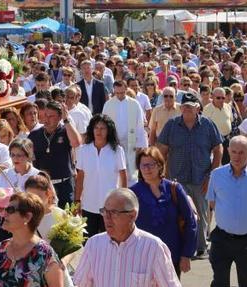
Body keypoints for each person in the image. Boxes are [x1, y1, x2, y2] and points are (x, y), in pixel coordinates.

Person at [157, 91, 223, 258]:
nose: (186, 109)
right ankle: (181, 245)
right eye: (184, 106)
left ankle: (201, 247)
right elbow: (161, 151)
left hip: (202, 178)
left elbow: (218, 149)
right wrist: (161, 175)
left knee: (201, 213)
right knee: (179, 213)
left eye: (190, 107)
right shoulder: (171, 125)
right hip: (176, 179)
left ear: (197, 108)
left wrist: (212, 175)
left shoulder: (208, 125)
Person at [73, 188, 180, 287]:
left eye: (114, 212)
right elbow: (81, 284)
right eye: (104, 211)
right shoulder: (94, 244)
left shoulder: (154, 248)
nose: (107, 218)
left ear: (132, 215)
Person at [206, 135, 247, 287]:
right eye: (234, 151)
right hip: (222, 239)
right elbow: (212, 202)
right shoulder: (217, 175)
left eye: (241, 152)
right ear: (228, 151)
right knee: (219, 282)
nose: (237, 156)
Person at [130, 147, 197, 277]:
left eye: (151, 164)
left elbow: (190, 222)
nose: (147, 169)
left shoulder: (174, 189)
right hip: (141, 257)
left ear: (160, 166)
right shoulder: (133, 193)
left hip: (172, 256)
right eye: (143, 165)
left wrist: (186, 254)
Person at [0, 191, 65, 287]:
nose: (4, 214)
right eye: (5, 209)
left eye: (10, 210)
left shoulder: (45, 254)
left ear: (27, 217)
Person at [75, 114, 127, 237]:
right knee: (88, 241)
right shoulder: (83, 150)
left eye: (102, 128)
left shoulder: (117, 150)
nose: (99, 131)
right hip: (88, 204)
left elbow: (123, 176)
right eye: (96, 128)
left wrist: (123, 201)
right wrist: (77, 201)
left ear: (108, 131)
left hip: (110, 206)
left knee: (110, 239)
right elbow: (80, 177)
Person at [27, 101, 80, 207]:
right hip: (42, 186)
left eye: (51, 116)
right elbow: (29, 159)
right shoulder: (34, 135)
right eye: (45, 115)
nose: (46, 119)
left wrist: (66, 120)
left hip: (64, 185)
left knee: (65, 219)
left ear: (60, 117)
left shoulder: (66, 132)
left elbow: (76, 143)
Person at [101, 80, 148, 183]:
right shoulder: (108, 105)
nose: (119, 95)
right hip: (114, 144)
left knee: (131, 174)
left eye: (122, 92)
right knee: (115, 173)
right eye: (117, 93)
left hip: (130, 144)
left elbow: (139, 126)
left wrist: (141, 146)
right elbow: (103, 125)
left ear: (126, 90)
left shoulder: (134, 104)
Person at [24, 173, 67, 240]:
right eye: (30, 197)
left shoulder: (61, 214)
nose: (33, 201)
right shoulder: (24, 217)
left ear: (48, 194)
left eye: (38, 197)